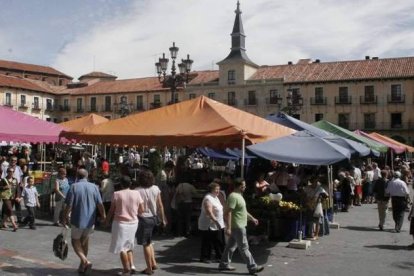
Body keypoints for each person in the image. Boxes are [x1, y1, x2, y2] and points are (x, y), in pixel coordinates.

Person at [63, 168, 106, 275]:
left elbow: (69, 205)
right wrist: (104, 216)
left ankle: (85, 261)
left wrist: (64, 217)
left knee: (75, 241)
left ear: (77, 176)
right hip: (90, 221)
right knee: (85, 241)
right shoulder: (94, 187)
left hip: (78, 219)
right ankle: (82, 266)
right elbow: (100, 204)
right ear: (87, 176)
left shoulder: (74, 187)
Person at [218, 178, 264, 275]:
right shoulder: (234, 196)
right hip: (238, 226)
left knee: (230, 246)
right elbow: (228, 212)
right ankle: (253, 267)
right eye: (244, 185)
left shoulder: (239, 196)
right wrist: (229, 227)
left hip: (238, 226)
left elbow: (243, 211)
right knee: (244, 248)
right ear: (239, 186)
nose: (245, 187)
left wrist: (252, 218)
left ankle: (223, 264)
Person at [105, 176, 144, 276]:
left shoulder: (117, 194)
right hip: (133, 222)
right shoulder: (136, 193)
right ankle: (132, 266)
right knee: (129, 245)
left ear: (121, 184)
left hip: (120, 223)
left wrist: (106, 221)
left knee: (121, 247)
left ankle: (126, 269)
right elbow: (142, 210)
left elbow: (111, 210)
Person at [135, 170, 167, 275]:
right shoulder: (155, 188)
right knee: (149, 241)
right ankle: (153, 263)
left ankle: (149, 268)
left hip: (143, 219)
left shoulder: (137, 190)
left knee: (145, 244)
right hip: (154, 217)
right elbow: (160, 205)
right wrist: (163, 218)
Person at [198, 182, 225, 263]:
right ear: (211, 189)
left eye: (219, 189)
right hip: (209, 224)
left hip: (217, 223)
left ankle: (219, 256)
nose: (218, 191)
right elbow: (209, 212)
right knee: (207, 241)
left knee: (218, 240)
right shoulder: (208, 198)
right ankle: (204, 258)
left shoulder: (216, 197)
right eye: (216, 189)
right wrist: (216, 221)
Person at [304, 175, 328, 240]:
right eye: (314, 182)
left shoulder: (320, 188)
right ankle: (310, 233)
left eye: (316, 182)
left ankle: (316, 235)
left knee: (317, 220)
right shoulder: (307, 188)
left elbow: (326, 196)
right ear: (311, 182)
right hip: (309, 205)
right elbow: (304, 195)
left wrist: (321, 198)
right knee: (310, 220)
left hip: (317, 205)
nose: (315, 183)